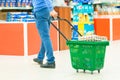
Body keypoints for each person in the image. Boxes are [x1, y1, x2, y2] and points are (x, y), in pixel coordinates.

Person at [32, 0, 58, 68]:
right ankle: (40, 58)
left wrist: (51, 9)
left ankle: (51, 61)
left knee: (45, 37)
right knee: (45, 36)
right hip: (45, 11)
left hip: (41, 11)